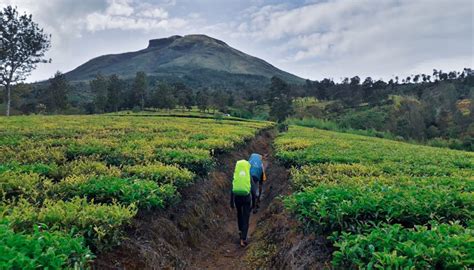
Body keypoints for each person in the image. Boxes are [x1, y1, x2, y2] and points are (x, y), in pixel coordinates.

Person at [230, 159, 253, 247]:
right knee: (246, 217)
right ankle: (243, 238)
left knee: (239, 214)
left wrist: (231, 203)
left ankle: (240, 232)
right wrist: (254, 204)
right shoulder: (248, 176)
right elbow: (253, 191)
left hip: (237, 198)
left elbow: (232, 189)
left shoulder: (236, 175)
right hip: (247, 199)